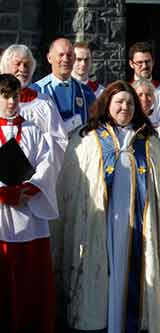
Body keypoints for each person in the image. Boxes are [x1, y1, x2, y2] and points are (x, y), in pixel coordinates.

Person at [54, 81, 160, 332]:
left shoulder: (150, 140)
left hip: (141, 225)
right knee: (101, 273)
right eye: (119, 102)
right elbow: (71, 186)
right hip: (100, 222)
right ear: (107, 105)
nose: (125, 107)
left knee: (137, 271)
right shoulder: (87, 138)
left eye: (130, 103)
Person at [0, 74, 58, 332]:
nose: (11, 102)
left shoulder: (33, 129)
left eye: (14, 96)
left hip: (30, 213)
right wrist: (5, 193)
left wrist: (30, 187)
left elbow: (47, 163)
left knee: (30, 281)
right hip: (1, 215)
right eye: (4, 96)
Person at [0, 44, 67, 168]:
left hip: (36, 173)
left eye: (27, 65)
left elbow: (60, 141)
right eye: (17, 63)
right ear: (5, 65)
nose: (23, 68)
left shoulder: (44, 103)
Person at [31, 38, 95, 136]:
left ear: (73, 58)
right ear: (49, 58)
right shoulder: (36, 90)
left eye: (69, 55)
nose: (65, 59)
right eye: (61, 55)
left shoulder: (85, 92)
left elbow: (94, 126)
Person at [129, 41, 160, 125]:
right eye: (139, 62)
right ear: (131, 64)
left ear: (153, 62)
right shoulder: (125, 91)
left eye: (147, 61)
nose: (144, 66)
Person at [132, 78, 160, 149]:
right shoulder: (128, 124)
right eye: (140, 95)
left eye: (148, 94)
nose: (144, 99)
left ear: (153, 98)